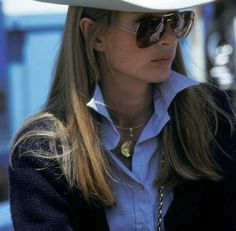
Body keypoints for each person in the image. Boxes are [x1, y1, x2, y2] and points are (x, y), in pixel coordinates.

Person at [9, 0, 236, 230]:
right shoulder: (41, 153)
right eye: (149, 26)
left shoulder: (210, 115)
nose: (170, 38)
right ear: (94, 35)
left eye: (177, 21)